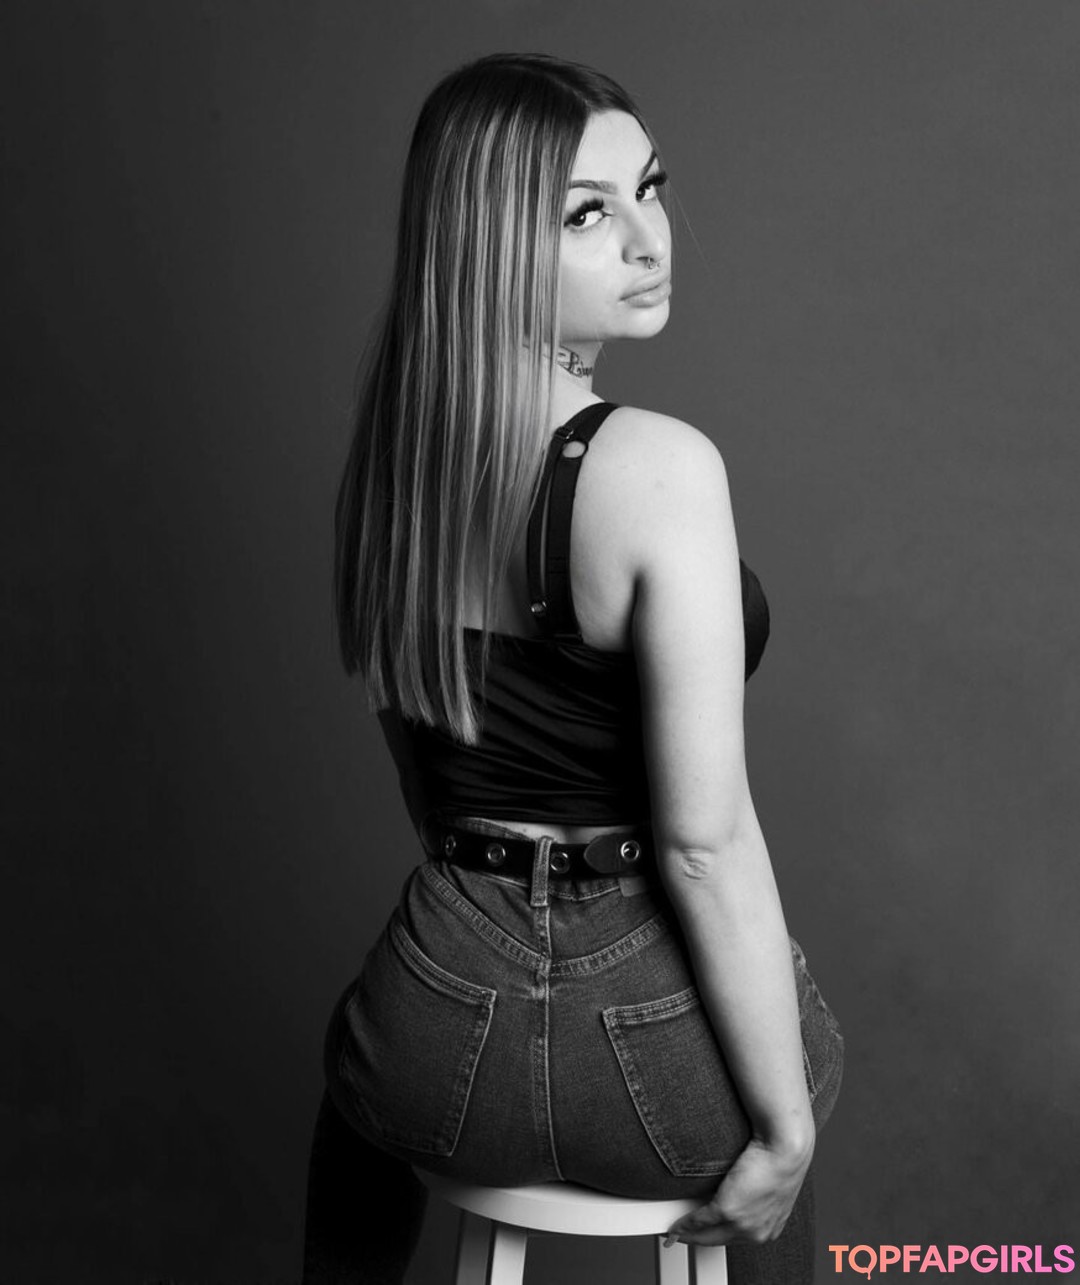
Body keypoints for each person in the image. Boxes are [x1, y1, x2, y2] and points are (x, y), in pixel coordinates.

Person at [303, 52, 843, 1285]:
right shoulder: (659, 465)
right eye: (587, 214)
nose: (651, 241)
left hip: (439, 1016)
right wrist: (783, 1131)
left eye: (649, 190)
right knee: (789, 1104)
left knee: (361, 1082)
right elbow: (704, 844)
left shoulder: (395, 463)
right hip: (649, 1046)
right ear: (488, 242)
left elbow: (418, 750)